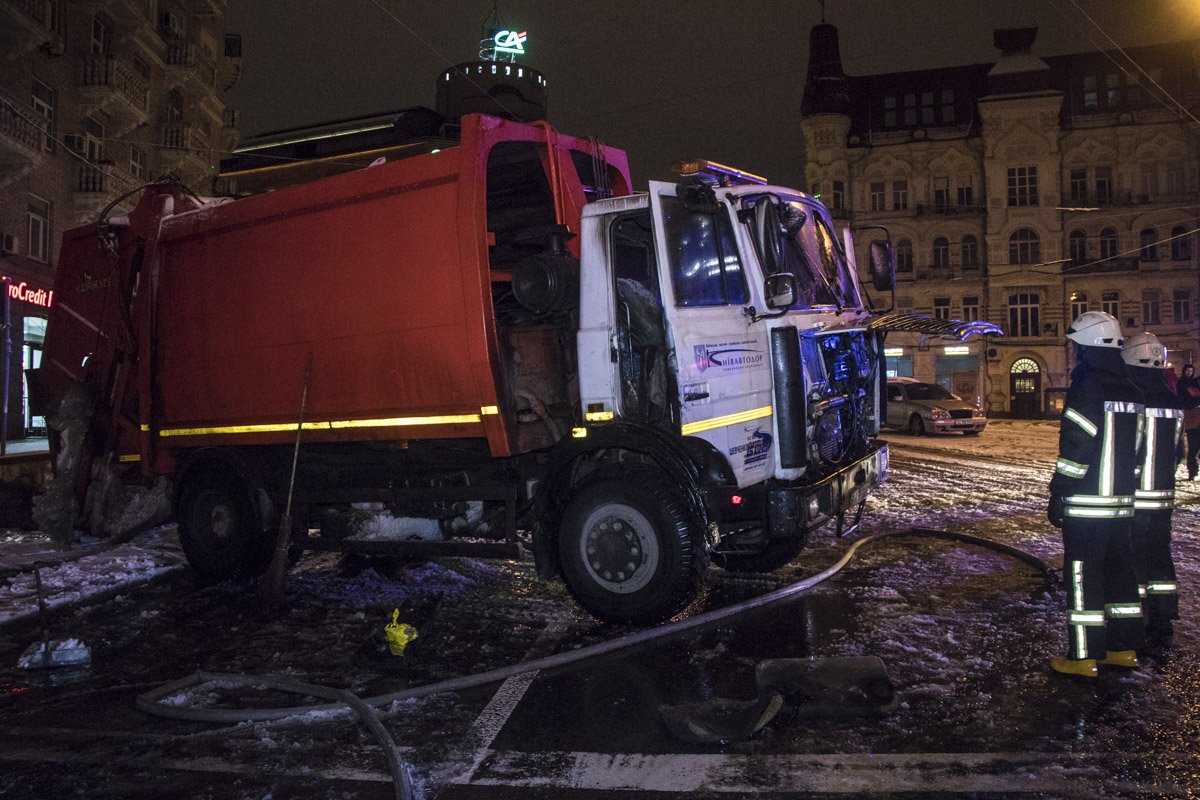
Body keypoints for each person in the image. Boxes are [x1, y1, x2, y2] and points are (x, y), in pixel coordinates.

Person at [1048, 311, 1144, 678]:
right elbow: (1137, 450)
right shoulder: (1131, 388)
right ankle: (1123, 649)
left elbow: (1076, 447)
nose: (1074, 352)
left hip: (1087, 507)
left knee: (1083, 577)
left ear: (1087, 348)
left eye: (1076, 346)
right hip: (1122, 505)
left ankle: (1083, 656)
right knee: (1120, 574)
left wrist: (1059, 492)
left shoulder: (1087, 386)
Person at [1124, 333, 1183, 641]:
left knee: (1134, 555)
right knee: (1160, 552)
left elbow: (1131, 448)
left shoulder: (1136, 398)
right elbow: (1177, 451)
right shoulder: (1172, 399)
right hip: (1163, 494)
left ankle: (1139, 615)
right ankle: (1164, 613)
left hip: (1137, 494)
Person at [1177, 364, 1200, 479]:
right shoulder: (1181, 383)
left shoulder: (1195, 383)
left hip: (1196, 416)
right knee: (1193, 445)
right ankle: (1192, 470)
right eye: (1187, 371)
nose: (1189, 373)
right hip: (1190, 416)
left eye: (1191, 371)